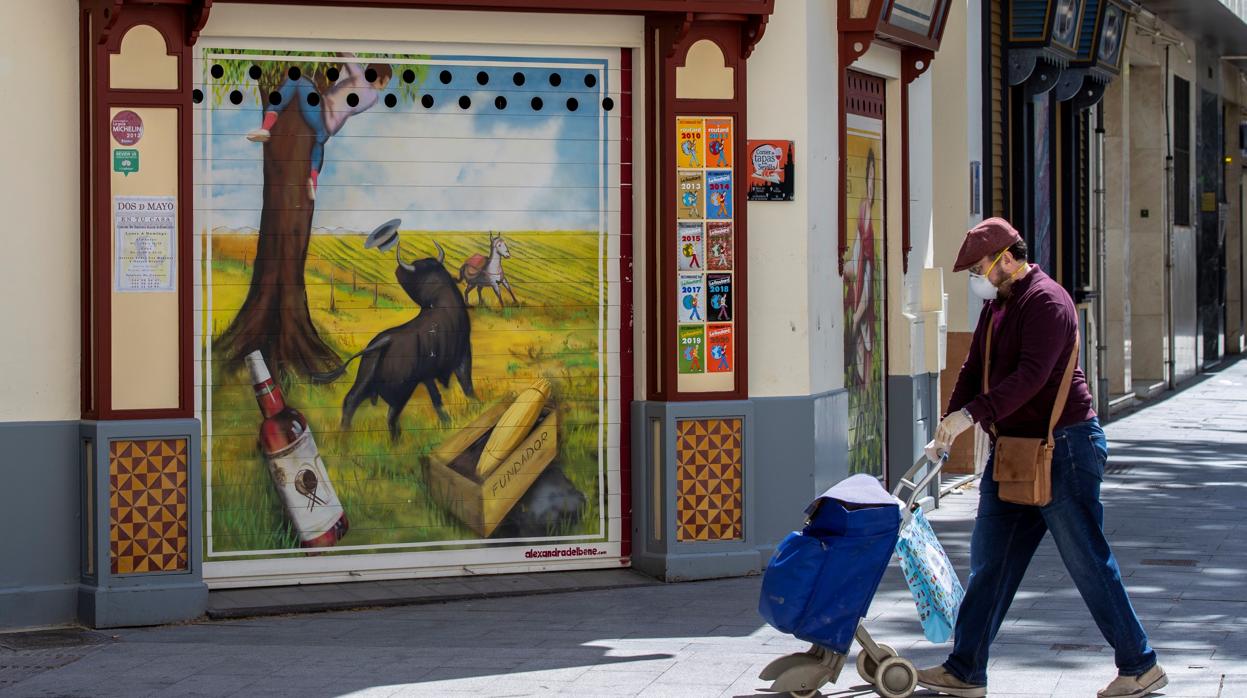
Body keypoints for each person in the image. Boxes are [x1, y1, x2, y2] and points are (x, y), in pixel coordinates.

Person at [917, 218, 1166, 698]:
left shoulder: (1047, 302)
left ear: (1007, 258)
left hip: (1064, 448)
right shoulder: (999, 305)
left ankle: (1140, 665)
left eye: (980, 269)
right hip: (1015, 451)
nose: (977, 280)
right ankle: (965, 670)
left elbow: (1030, 378)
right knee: (991, 563)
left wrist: (972, 415)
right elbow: (973, 368)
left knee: (1087, 561)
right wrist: (949, 423)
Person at [247, 56, 393, 200]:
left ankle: (266, 127)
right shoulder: (373, 99)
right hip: (328, 130)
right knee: (317, 146)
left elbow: (346, 54)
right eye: (386, 81)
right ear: (380, 77)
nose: (385, 85)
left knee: (298, 79)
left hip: (320, 114)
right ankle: (313, 180)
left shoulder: (359, 76)